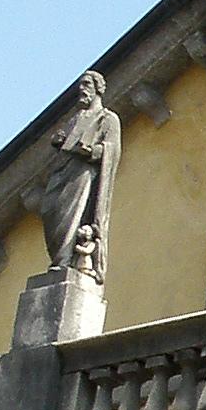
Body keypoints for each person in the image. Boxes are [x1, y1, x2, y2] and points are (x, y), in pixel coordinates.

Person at [39, 74, 121, 283]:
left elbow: (112, 149)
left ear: (98, 89)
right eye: (80, 85)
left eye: (86, 85)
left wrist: (92, 151)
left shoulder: (107, 118)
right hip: (62, 174)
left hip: (82, 174)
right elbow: (65, 142)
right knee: (50, 211)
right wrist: (58, 140)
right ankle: (59, 259)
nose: (82, 89)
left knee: (72, 217)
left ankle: (65, 261)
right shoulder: (76, 118)